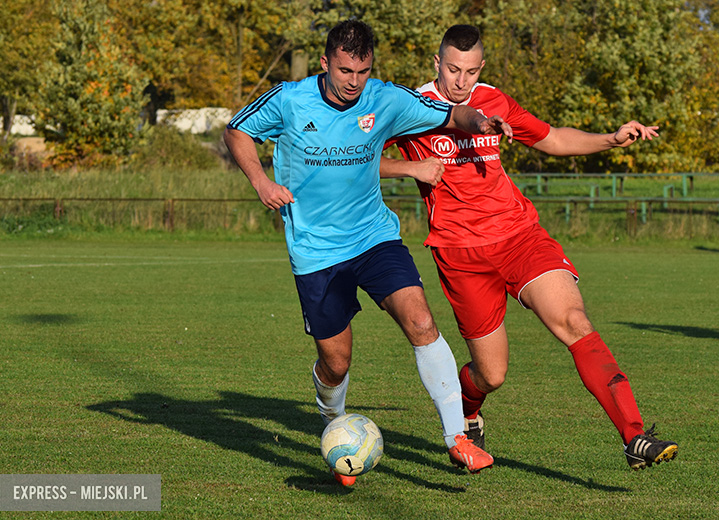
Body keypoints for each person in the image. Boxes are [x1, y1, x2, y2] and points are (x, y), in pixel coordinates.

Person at [223, 20, 513, 485]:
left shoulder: (384, 97)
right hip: (317, 251)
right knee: (336, 362)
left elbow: (450, 113)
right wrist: (261, 182)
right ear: (325, 63)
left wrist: (478, 121)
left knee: (421, 321)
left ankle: (457, 437)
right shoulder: (291, 99)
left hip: (374, 237)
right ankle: (334, 425)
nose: (354, 82)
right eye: (344, 71)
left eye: (362, 71)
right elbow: (237, 131)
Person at [381, 24, 678, 470]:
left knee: (574, 320)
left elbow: (551, 138)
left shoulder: (495, 100)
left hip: (520, 237)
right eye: (453, 69)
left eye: (470, 71)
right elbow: (359, 156)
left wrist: (610, 139)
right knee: (491, 374)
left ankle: (634, 436)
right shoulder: (412, 107)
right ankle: (469, 409)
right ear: (436, 63)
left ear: (482, 67)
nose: (461, 81)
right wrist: (411, 169)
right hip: (461, 254)